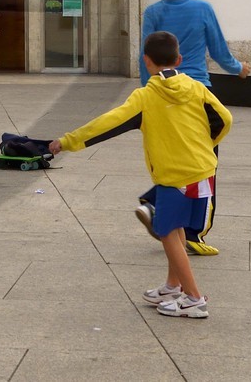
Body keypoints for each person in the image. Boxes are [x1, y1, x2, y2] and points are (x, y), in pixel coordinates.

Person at [50, 31, 232, 320]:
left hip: (175, 176)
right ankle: (172, 287)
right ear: (179, 59)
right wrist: (206, 146)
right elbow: (224, 119)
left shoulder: (146, 97)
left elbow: (108, 123)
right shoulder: (197, 88)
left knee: (166, 231)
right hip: (203, 171)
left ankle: (194, 298)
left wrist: (68, 141)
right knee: (177, 228)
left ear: (146, 61)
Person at [136, 0, 247, 257]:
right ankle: (193, 233)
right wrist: (239, 69)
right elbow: (220, 51)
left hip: (162, 93)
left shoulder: (153, 13)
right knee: (204, 164)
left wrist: (149, 94)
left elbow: (145, 58)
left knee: (171, 160)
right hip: (198, 94)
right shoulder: (203, 9)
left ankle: (159, 208)